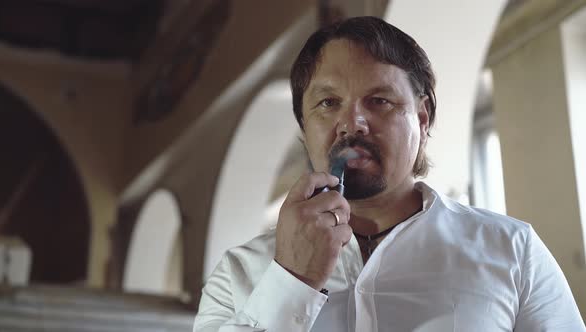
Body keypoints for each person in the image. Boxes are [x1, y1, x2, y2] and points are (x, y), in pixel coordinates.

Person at [193, 16, 585, 332]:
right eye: (328, 103)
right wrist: (292, 281)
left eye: (379, 101)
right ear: (304, 127)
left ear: (422, 117)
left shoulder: (512, 250)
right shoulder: (238, 273)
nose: (353, 123)